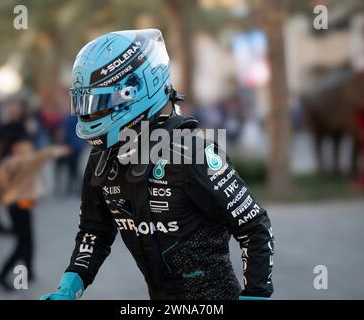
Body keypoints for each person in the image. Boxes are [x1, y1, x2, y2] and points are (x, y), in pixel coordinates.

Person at [41, 29, 274, 300]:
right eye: (84, 105)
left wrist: (256, 294)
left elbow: (254, 226)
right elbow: (95, 230)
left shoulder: (192, 152)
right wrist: (69, 287)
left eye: (99, 105)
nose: (89, 115)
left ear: (135, 89)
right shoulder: (101, 157)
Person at [0, 135, 69, 290]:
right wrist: (58, 151)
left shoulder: (9, 163)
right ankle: (1, 274)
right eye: (26, 148)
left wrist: (3, 199)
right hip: (20, 206)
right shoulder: (21, 162)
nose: (29, 151)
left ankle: (29, 272)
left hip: (17, 205)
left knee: (29, 241)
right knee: (23, 244)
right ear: (17, 150)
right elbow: (42, 156)